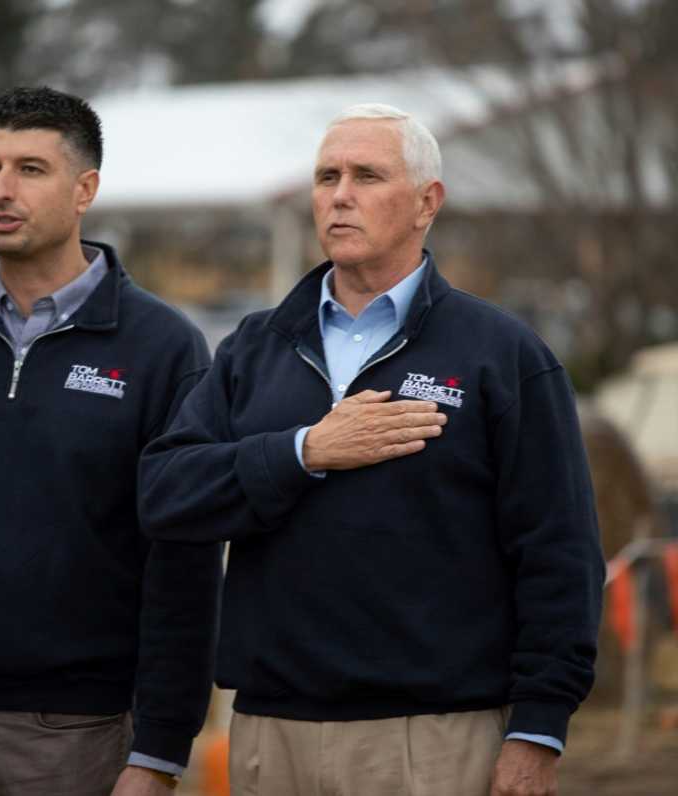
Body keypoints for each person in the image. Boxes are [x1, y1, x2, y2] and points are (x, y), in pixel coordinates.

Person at [138, 104, 604, 796]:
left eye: (367, 175)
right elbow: (167, 492)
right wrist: (304, 450)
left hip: (434, 737)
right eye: (327, 177)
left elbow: (559, 550)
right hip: (271, 733)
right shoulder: (253, 349)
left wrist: (538, 729)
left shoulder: (500, 356)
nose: (340, 195)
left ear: (426, 203)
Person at [0, 87, 221, 796]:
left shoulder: (161, 347)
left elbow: (184, 556)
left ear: (84, 189)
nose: (0, 188)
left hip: (73, 733)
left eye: (29, 169)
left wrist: (160, 752)